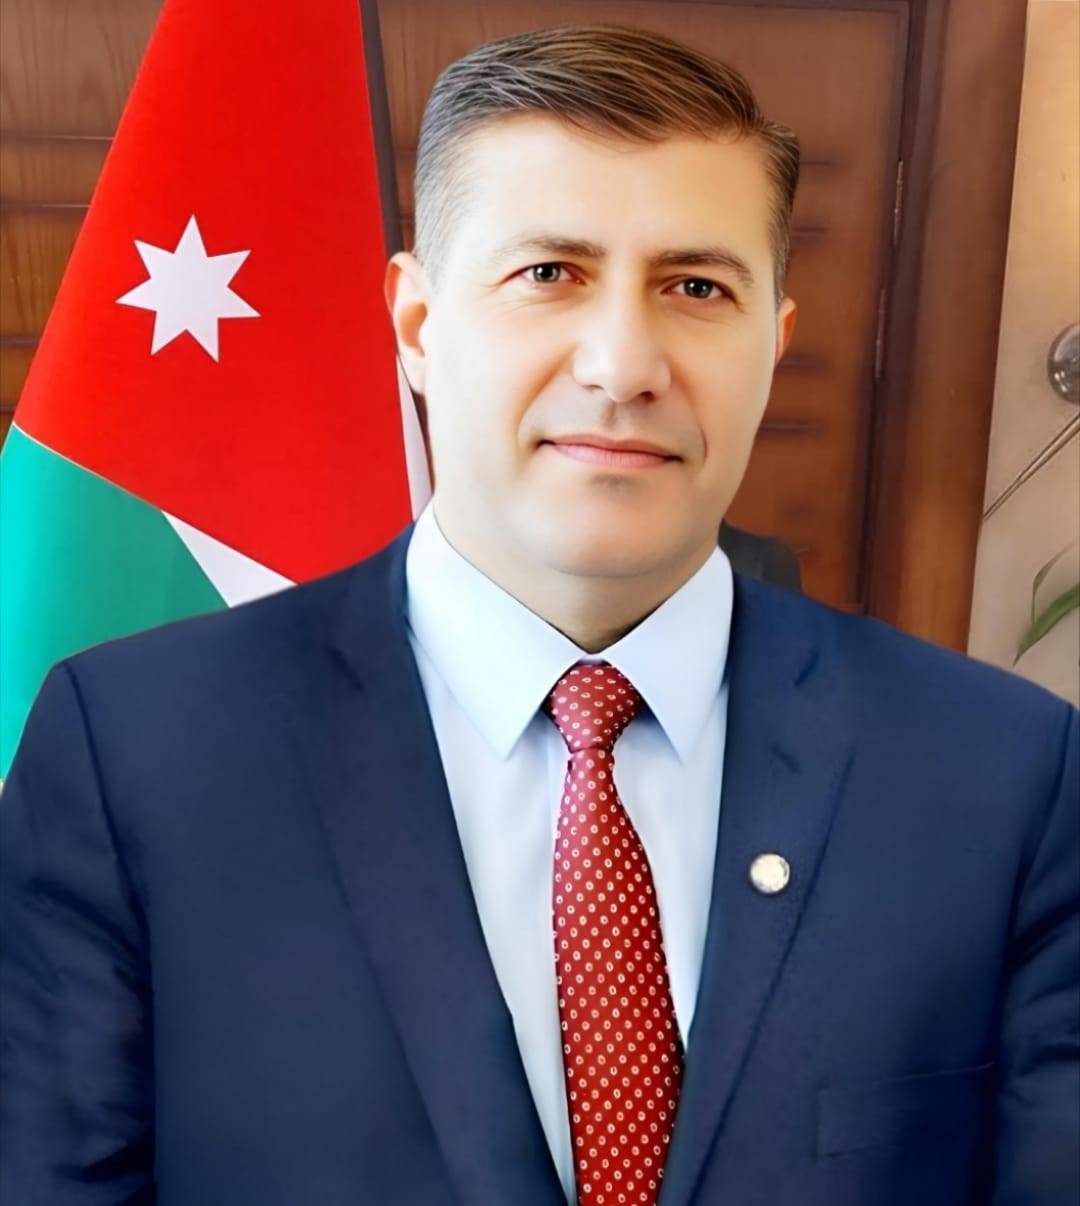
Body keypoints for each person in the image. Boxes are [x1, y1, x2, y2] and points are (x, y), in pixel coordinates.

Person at [1, 22, 1076, 1206]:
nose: (622, 365)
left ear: (773, 344)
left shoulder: (1004, 776)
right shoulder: (134, 756)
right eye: (549, 274)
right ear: (417, 326)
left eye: (697, 288)